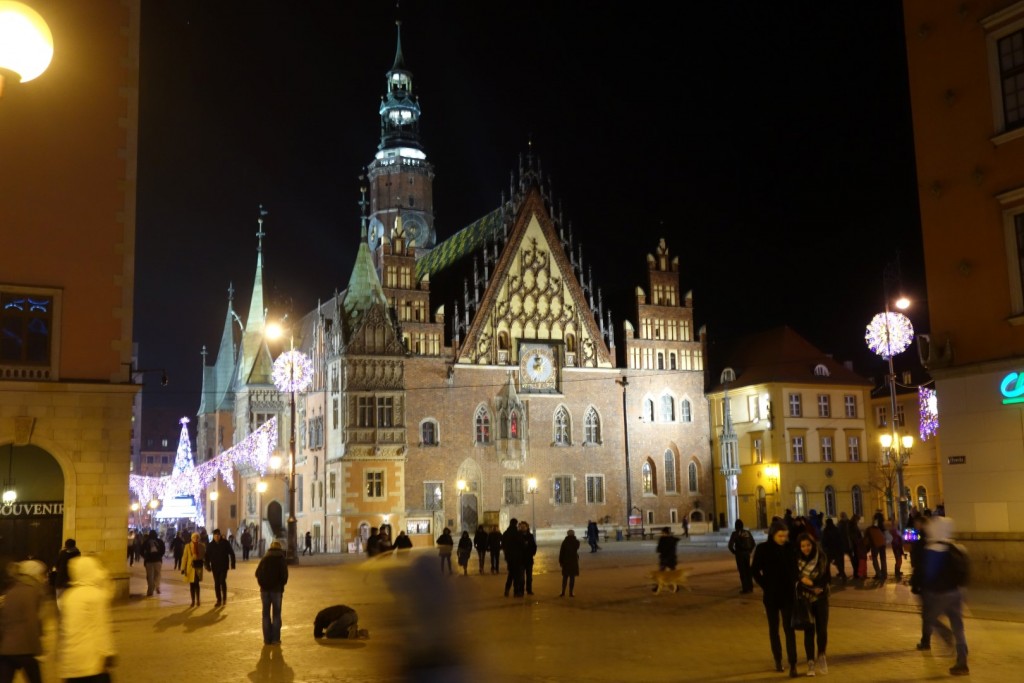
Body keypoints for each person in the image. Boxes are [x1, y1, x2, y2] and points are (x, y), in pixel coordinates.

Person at [916, 516, 970, 676]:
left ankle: (946, 635)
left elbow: (928, 574)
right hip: (956, 593)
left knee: (929, 618)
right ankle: (962, 661)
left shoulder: (933, 549)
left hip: (938, 593)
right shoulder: (958, 547)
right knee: (958, 626)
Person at [56, 556, 116, 682]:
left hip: (70, 663)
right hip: (91, 662)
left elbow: (63, 630)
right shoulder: (95, 595)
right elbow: (101, 627)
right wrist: (108, 652)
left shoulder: (68, 596)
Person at [751, 519, 799, 678]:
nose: (783, 539)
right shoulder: (763, 549)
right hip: (771, 596)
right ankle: (778, 659)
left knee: (789, 629)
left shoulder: (790, 548)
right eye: (780, 536)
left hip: (788, 595)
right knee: (774, 629)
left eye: (785, 536)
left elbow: (796, 569)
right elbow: (755, 571)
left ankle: (793, 663)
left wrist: (794, 582)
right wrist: (766, 585)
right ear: (772, 534)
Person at [0, 560, 46, 683]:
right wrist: (38, 649)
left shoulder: (11, 590)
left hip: (6, 649)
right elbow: (32, 622)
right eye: (41, 573)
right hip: (24, 648)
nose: (43, 577)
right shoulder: (32, 592)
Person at [796, 532, 831, 677]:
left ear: (813, 544)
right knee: (809, 630)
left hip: (821, 597)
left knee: (821, 629)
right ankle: (810, 661)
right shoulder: (796, 560)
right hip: (805, 599)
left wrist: (816, 586)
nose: (806, 548)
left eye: (808, 545)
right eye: (803, 546)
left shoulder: (821, 557)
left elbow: (827, 576)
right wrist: (808, 586)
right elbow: (796, 580)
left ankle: (821, 656)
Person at [256, 540, 289, 646]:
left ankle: (266, 640)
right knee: (276, 615)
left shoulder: (265, 558)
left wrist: (262, 584)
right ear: (279, 548)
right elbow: (284, 576)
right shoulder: (281, 559)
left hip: (264, 591)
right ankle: (275, 639)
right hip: (276, 591)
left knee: (265, 615)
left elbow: (257, 573)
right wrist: (280, 585)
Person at [205, 528, 236, 607]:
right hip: (215, 567)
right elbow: (207, 556)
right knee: (217, 583)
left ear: (220, 535)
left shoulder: (225, 543)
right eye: (215, 536)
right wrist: (207, 565)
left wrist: (233, 564)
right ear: (213, 536)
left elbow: (232, 553)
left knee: (222, 581)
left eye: (218, 535)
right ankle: (219, 599)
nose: (217, 537)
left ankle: (224, 598)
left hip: (223, 566)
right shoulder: (210, 545)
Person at [727, 519, 756, 593]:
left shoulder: (735, 533)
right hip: (747, 554)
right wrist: (749, 551)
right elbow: (753, 543)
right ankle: (750, 587)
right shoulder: (747, 532)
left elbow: (730, 545)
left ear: (736, 526)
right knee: (748, 570)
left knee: (742, 571)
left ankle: (745, 588)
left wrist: (734, 552)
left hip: (739, 554)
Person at [181, 531, 207, 607]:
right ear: (192, 538)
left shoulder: (202, 546)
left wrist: (205, 563)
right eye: (194, 537)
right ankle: (193, 601)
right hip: (190, 568)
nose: (196, 538)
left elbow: (204, 556)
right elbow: (184, 558)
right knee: (192, 584)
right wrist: (183, 568)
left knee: (197, 583)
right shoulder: (187, 546)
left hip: (198, 567)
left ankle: (198, 600)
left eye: (197, 537)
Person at [502, 519, 526, 597]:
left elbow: (503, 544)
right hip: (517, 557)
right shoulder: (517, 533)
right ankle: (516, 592)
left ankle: (507, 589)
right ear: (515, 524)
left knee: (511, 574)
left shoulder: (506, 533)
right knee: (516, 575)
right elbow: (522, 545)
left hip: (509, 557)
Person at [141, 529, 166, 597]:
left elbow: (141, 550)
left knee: (150, 576)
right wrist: (159, 555)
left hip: (149, 561)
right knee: (157, 575)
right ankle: (157, 586)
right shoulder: (159, 541)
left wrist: (145, 556)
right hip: (158, 560)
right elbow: (163, 549)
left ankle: (150, 591)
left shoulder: (146, 542)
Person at [821, 517, 847, 583]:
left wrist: (824, 548)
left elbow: (824, 541)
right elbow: (840, 540)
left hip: (828, 550)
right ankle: (843, 576)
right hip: (836, 549)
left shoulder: (826, 530)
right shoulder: (836, 529)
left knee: (827, 565)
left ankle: (828, 579)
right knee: (839, 564)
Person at [558, 529, 580, 597]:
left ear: (567, 534)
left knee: (565, 577)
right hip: (573, 561)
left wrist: (560, 561)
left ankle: (563, 592)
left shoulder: (565, 542)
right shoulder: (576, 542)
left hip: (566, 561)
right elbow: (576, 548)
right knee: (572, 577)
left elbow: (561, 552)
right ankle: (571, 592)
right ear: (574, 534)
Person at [867, 514, 888, 580]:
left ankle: (878, 573)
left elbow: (874, 529)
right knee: (883, 558)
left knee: (874, 558)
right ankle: (884, 573)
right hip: (882, 543)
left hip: (875, 543)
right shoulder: (882, 524)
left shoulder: (876, 523)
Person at [520, 521, 537, 595]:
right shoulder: (518, 536)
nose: (523, 528)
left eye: (524, 526)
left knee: (529, 577)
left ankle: (529, 590)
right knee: (521, 577)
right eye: (522, 526)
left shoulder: (530, 536)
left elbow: (534, 546)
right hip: (520, 560)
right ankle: (521, 590)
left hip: (529, 559)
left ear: (527, 527)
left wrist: (532, 553)